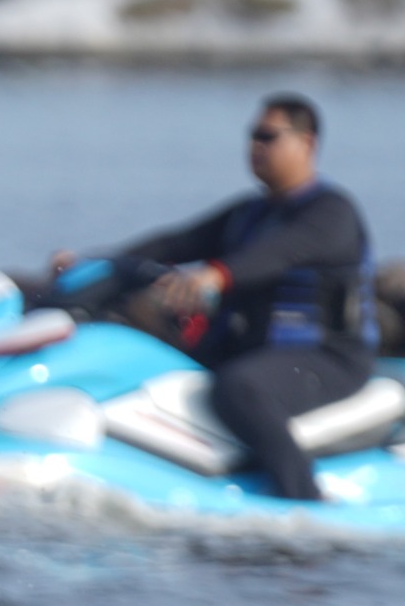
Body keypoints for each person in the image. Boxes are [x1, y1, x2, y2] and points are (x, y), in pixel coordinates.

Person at [51, 93, 376, 501]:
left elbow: (278, 254)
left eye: (267, 136)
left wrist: (217, 275)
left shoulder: (331, 212)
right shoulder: (249, 214)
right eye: (251, 136)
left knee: (240, 388)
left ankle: (303, 497)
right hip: (259, 349)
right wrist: (93, 261)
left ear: (307, 143)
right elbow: (174, 243)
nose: (254, 146)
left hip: (328, 358)